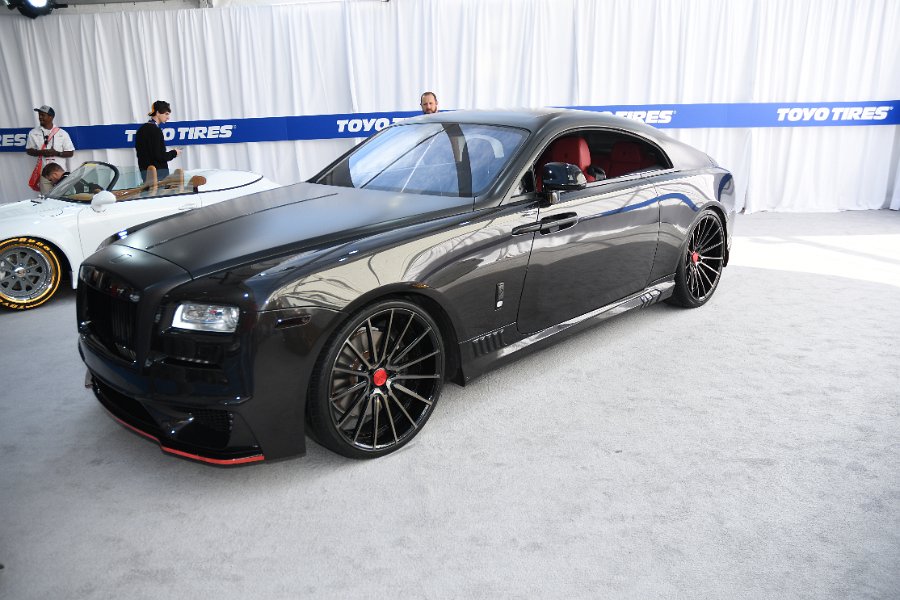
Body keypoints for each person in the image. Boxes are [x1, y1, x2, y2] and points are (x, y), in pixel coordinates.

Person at [25, 105, 75, 191]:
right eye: (39, 115)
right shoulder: (33, 133)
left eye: (43, 115)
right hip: (45, 175)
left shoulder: (62, 133)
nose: (40, 117)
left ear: (51, 117)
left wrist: (57, 153)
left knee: (63, 198)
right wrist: (41, 152)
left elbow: (70, 153)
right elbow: (29, 150)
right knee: (46, 198)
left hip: (60, 175)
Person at [134, 100, 181, 181]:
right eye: (166, 114)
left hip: (145, 174)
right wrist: (174, 153)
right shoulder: (156, 130)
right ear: (158, 113)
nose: (168, 117)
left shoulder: (141, 129)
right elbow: (160, 156)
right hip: (158, 176)